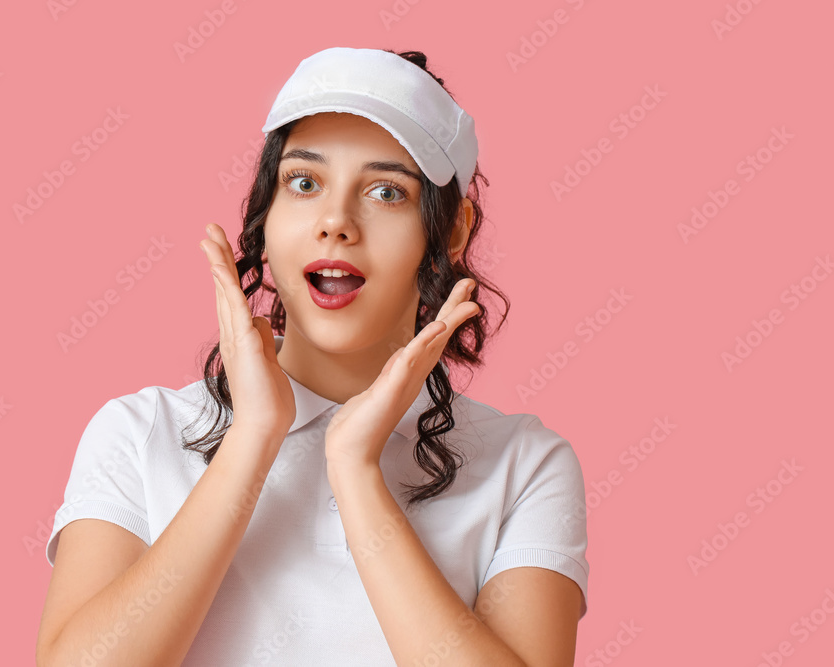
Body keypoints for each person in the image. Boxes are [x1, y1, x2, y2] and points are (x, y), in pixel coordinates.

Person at [36, 46, 589, 667]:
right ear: (266, 216)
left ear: (452, 231)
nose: (336, 221)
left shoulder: (524, 466)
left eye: (386, 192)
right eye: (303, 183)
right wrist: (253, 437)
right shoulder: (141, 433)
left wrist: (355, 471)